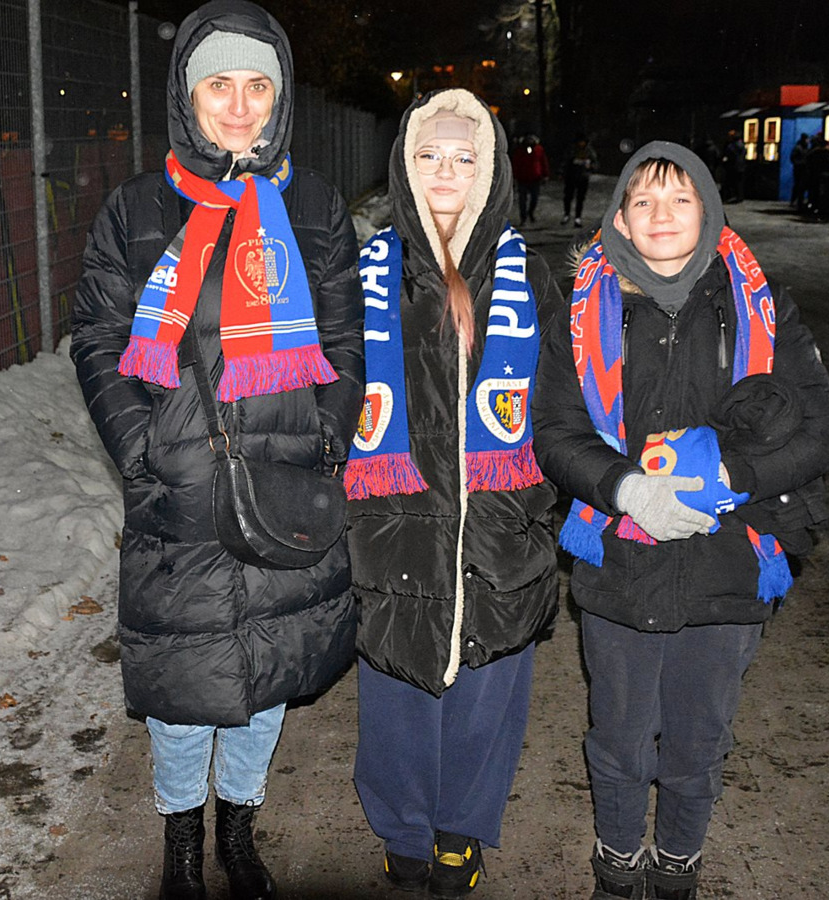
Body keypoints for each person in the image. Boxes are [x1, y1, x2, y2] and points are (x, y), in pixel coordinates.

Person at [69, 3, 365, 898]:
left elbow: (347, 340)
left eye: (257, 86)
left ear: (279, 97)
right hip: (181, 487)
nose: (239, 106)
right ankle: (182, 844)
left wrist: (325, 437)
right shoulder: (137, 209)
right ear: (187, 97)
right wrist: (141, 451)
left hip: (285, 482)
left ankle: (239, 827)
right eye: (219, 86)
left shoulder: (313, 206)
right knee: (180, 686)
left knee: (268, 673)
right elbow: (98, 337)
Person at [532, 141, 829, 900]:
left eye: (680, 198)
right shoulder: (580, 312)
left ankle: (677, 865)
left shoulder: (761, 305)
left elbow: (821, 431)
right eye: (642, 200)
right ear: (620, 219)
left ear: (709, 210)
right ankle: (617, 864)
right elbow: (555, 432)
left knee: (699, 739)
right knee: (618, 738)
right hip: (619, 564)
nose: (661, 214)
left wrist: (734, 477)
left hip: (729, 560)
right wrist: (625, 489)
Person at [344, 88, 563, 899]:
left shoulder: (527, 275)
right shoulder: (367, 275)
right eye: (429, 155)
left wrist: (549, 505)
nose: (445, 170)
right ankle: (403, 827)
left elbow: (564, 402)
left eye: (463, 157)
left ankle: (460, 830)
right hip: (394, 523)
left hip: (497, 523)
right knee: (396, 682)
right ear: (406, 167)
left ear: (490, 170)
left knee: (486, 688)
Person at [510, 132, 551, 225]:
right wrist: (514, 177)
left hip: (535, 178)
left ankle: (530, 212)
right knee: (522, 200)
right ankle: (523, 217)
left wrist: (545, 174)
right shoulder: (519, 151)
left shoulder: (539, 149)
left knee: (534, 199)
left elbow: (543, 162)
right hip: (522, 178)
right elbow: (516, 164)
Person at [562, 132, 598, 229]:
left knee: (580, 198)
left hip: (583, 177)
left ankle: (578, 217)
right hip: (571, 177)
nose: (581, 144)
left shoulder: (589, 151)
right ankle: (567, 214)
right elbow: (566, 162)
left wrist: (590, 166)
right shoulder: (572, 150)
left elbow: (595, 164)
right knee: (568, 197)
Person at [719, 129, 746, 203]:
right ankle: (739, 196)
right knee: (739, 183)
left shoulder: (731, 146)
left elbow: (728, 155)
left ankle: (727, 196)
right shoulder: (742, 145)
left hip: (732, 167)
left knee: (728, 182)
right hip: (741, 166)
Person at [788, 133, 810, 209]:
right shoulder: (799, 148)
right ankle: (795, 200)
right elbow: (793, 158)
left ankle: (797, 201)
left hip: (801, 169)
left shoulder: (803, 148)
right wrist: (800, 163)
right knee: (798, 185)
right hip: (799, 169)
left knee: (799, 186)